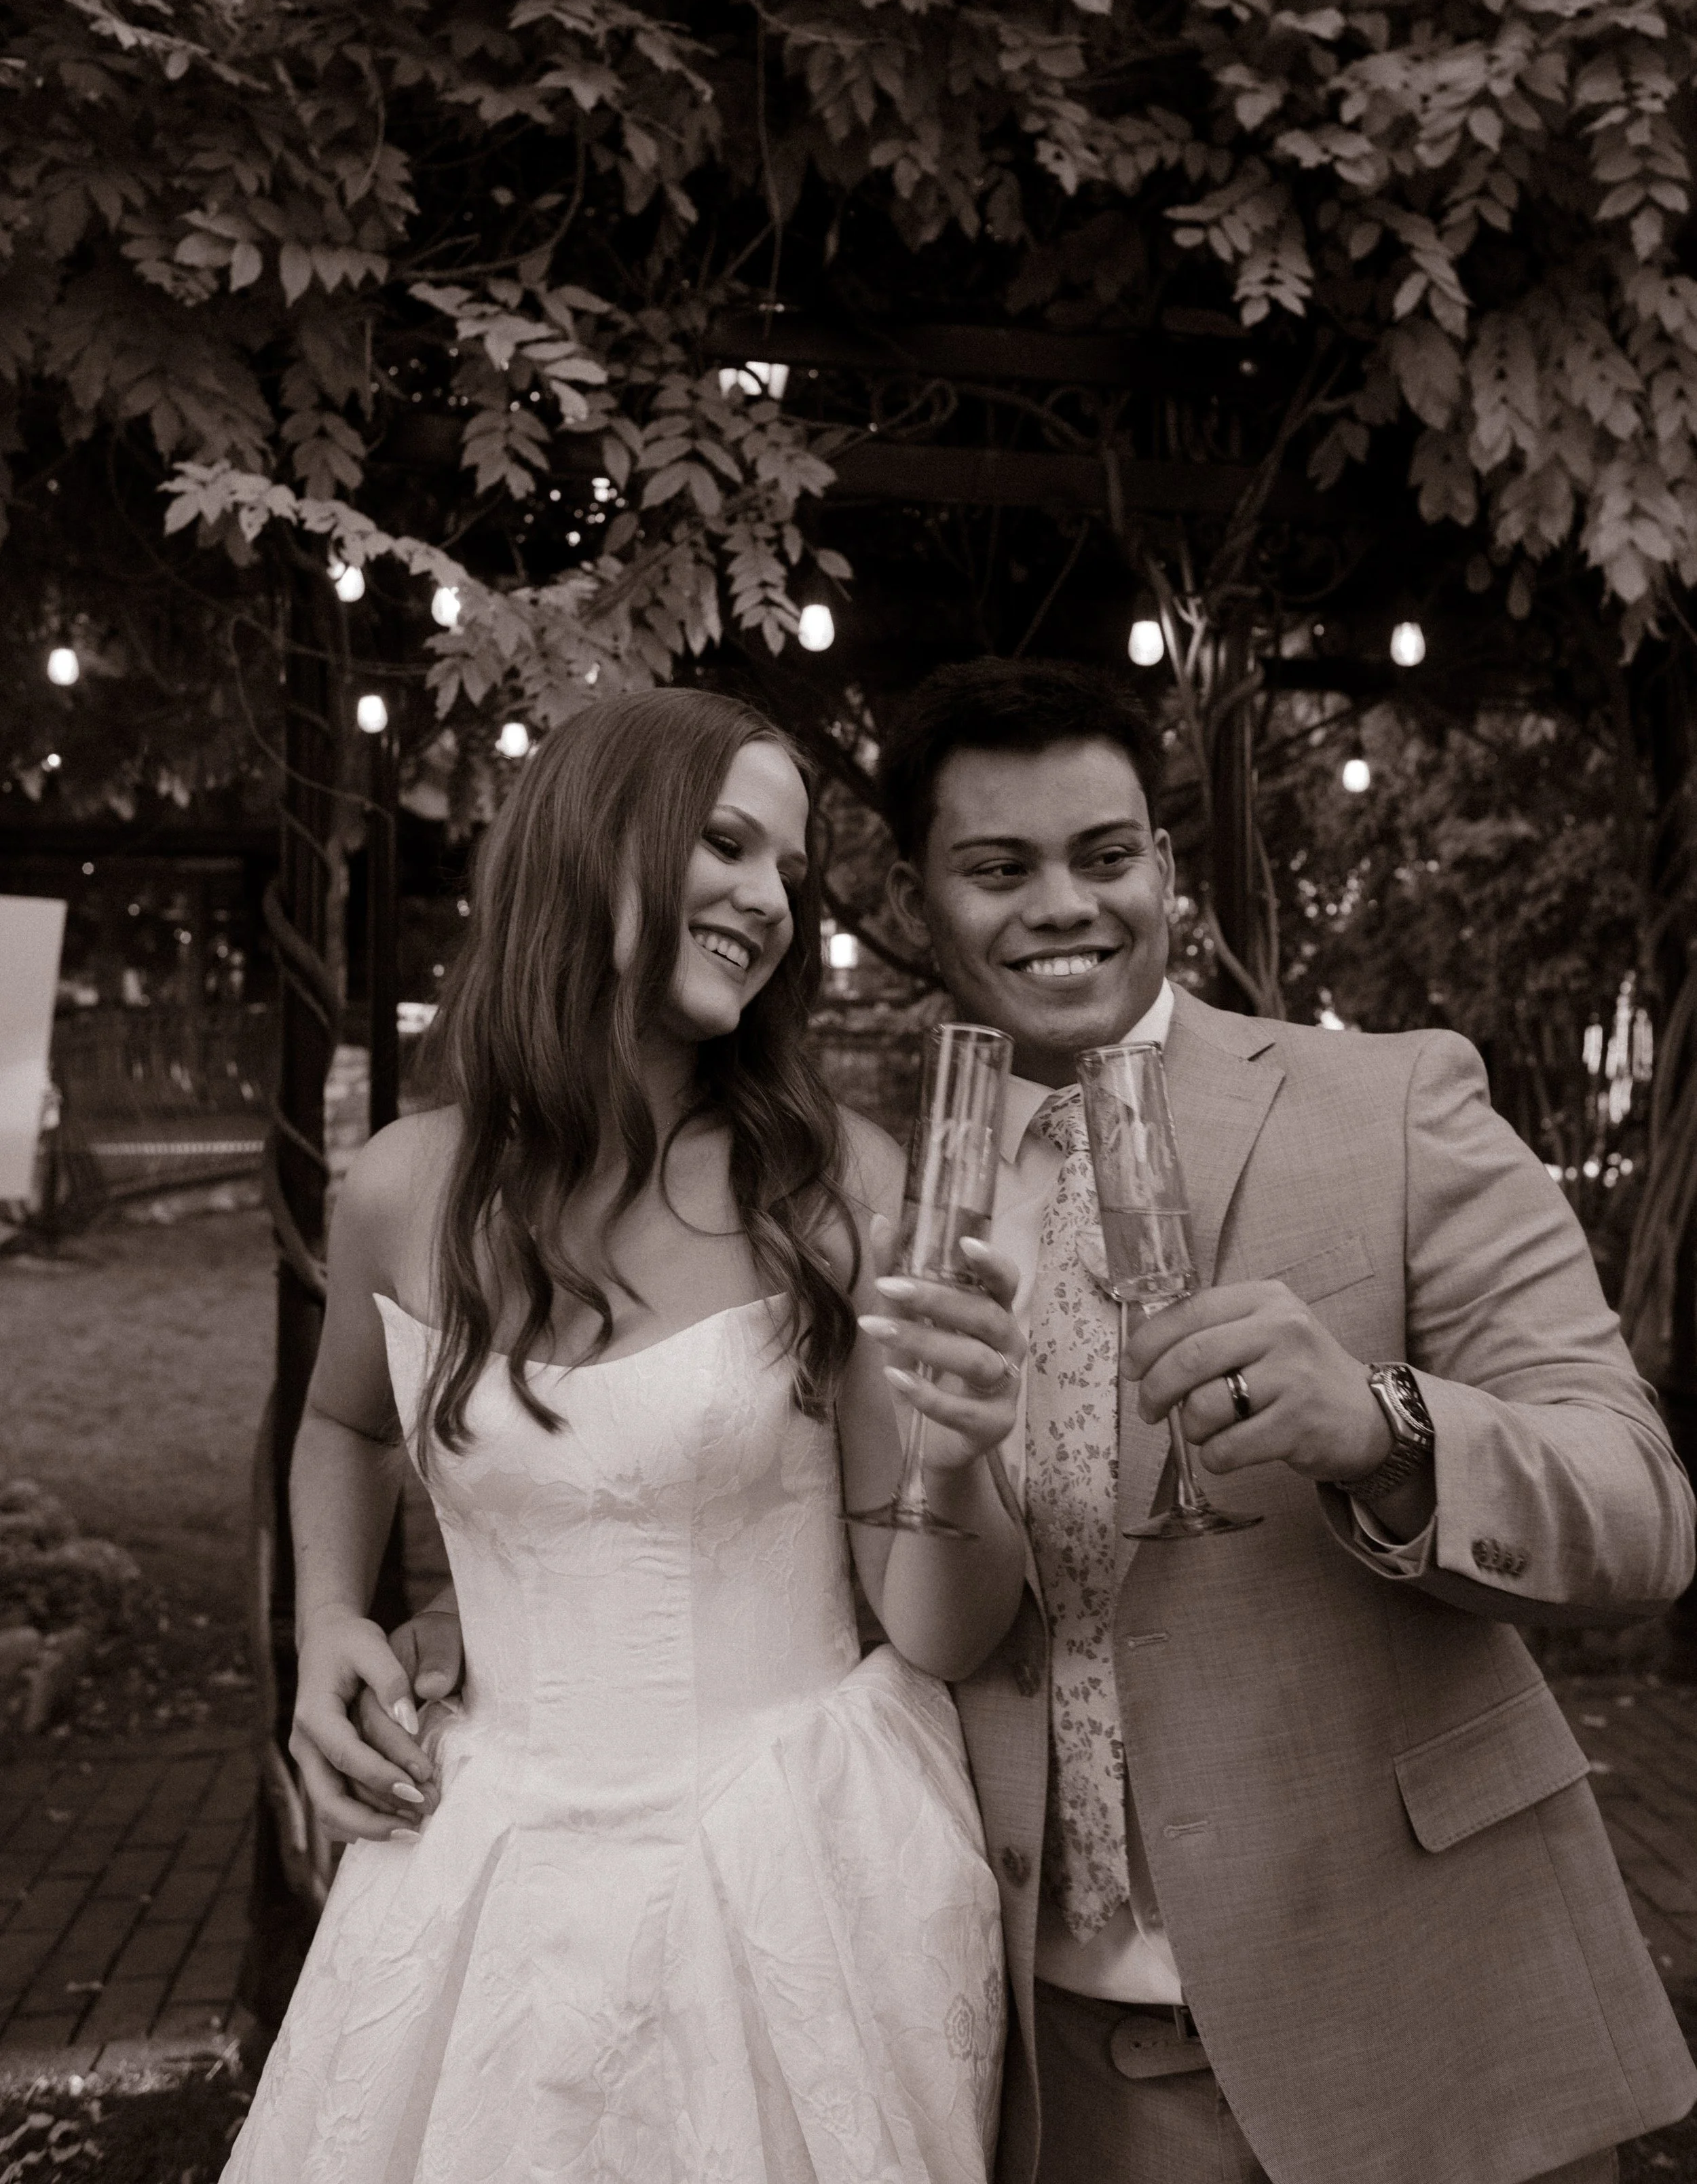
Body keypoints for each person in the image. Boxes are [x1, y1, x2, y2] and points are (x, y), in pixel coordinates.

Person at [357, 659, 1697, 2184]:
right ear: (920, 906)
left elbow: (1642, 1511)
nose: (1060, 904)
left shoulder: (1389, 1105)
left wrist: (1384, 1425)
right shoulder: (856, 1196)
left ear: (1165, 871)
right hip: (1055, 2066)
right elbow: (711, 1499)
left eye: (1104, 856)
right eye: (996, 869)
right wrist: (467, 1626)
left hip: (1421, 2015)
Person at [222, 688, 1030, 2184]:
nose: (768, 900)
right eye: (725, 843)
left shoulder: (828, 1189)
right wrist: (329, 1612)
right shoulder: (405, 1186)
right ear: (592, 847)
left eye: (786, 868)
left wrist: (961, 1457)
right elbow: (343, 1419)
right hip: (483, 1871)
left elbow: (938, 1630)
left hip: (789, 1869)